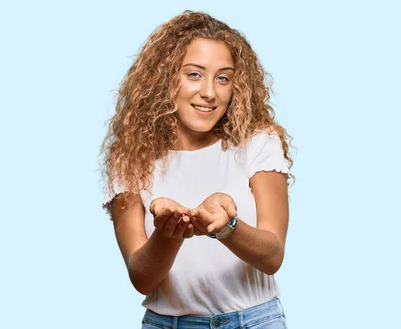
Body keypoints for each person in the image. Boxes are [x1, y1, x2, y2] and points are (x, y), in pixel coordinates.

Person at [101, 10, 294, 328]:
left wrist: (226, 226)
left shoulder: (258, 143)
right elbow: (142, 279)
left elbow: (273, 256)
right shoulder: (129, 158)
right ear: (163, 79)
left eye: (223, 77)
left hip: (255, 321)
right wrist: (168, 233)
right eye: (193, 74)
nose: (209, 92)